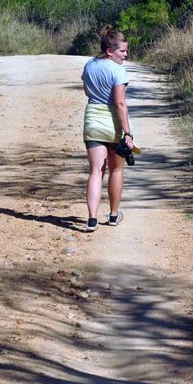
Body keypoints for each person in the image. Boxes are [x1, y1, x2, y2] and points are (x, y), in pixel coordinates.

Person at [80, 26, 137, 232]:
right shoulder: (118, 70)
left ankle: (92, 219)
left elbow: (87, 90)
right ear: (110, 51)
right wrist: (128, 132)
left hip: (93, 119)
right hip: (112, 122)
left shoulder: (89, 64)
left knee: (96, 171)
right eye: (122, 51)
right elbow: (120, 103)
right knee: (116, 169)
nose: (125, 54)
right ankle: (113, 215)